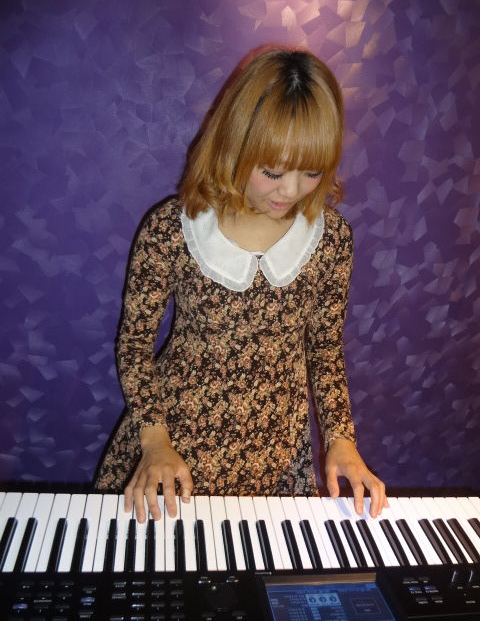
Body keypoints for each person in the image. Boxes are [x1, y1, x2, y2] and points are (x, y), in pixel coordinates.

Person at [94, 46, 387, 524]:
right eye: (272, 171)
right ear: (235, 144)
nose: (290, 191)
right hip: (172, 447)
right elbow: (134, 344)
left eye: (311, 172)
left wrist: (341, 439)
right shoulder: (172, 229)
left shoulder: (331, 239)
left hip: (276, 455)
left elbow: (324, 347)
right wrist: (154, 441)